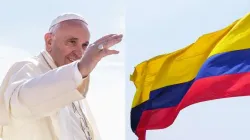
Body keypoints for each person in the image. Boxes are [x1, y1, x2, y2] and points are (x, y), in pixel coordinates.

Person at [0, 13, 123, 140]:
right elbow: (19, 104)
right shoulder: (28, 67)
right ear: (49, 42)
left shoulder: (76, 87)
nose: (80, 53)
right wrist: (80, 70)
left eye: (84, 45)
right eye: (72, 42)